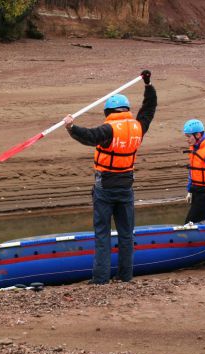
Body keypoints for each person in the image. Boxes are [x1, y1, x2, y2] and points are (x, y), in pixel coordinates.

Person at [62, 70, 157, 284]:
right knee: (126, 234)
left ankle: (101, 278)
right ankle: (125, 276)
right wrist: (148, 86)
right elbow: (149, 109)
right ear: (125, 110)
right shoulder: (138, 127)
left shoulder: (108, 129)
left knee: (103, 234)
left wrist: (70, 126)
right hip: (126, 187)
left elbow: (87, 136)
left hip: (105, 188)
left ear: (108, 111)